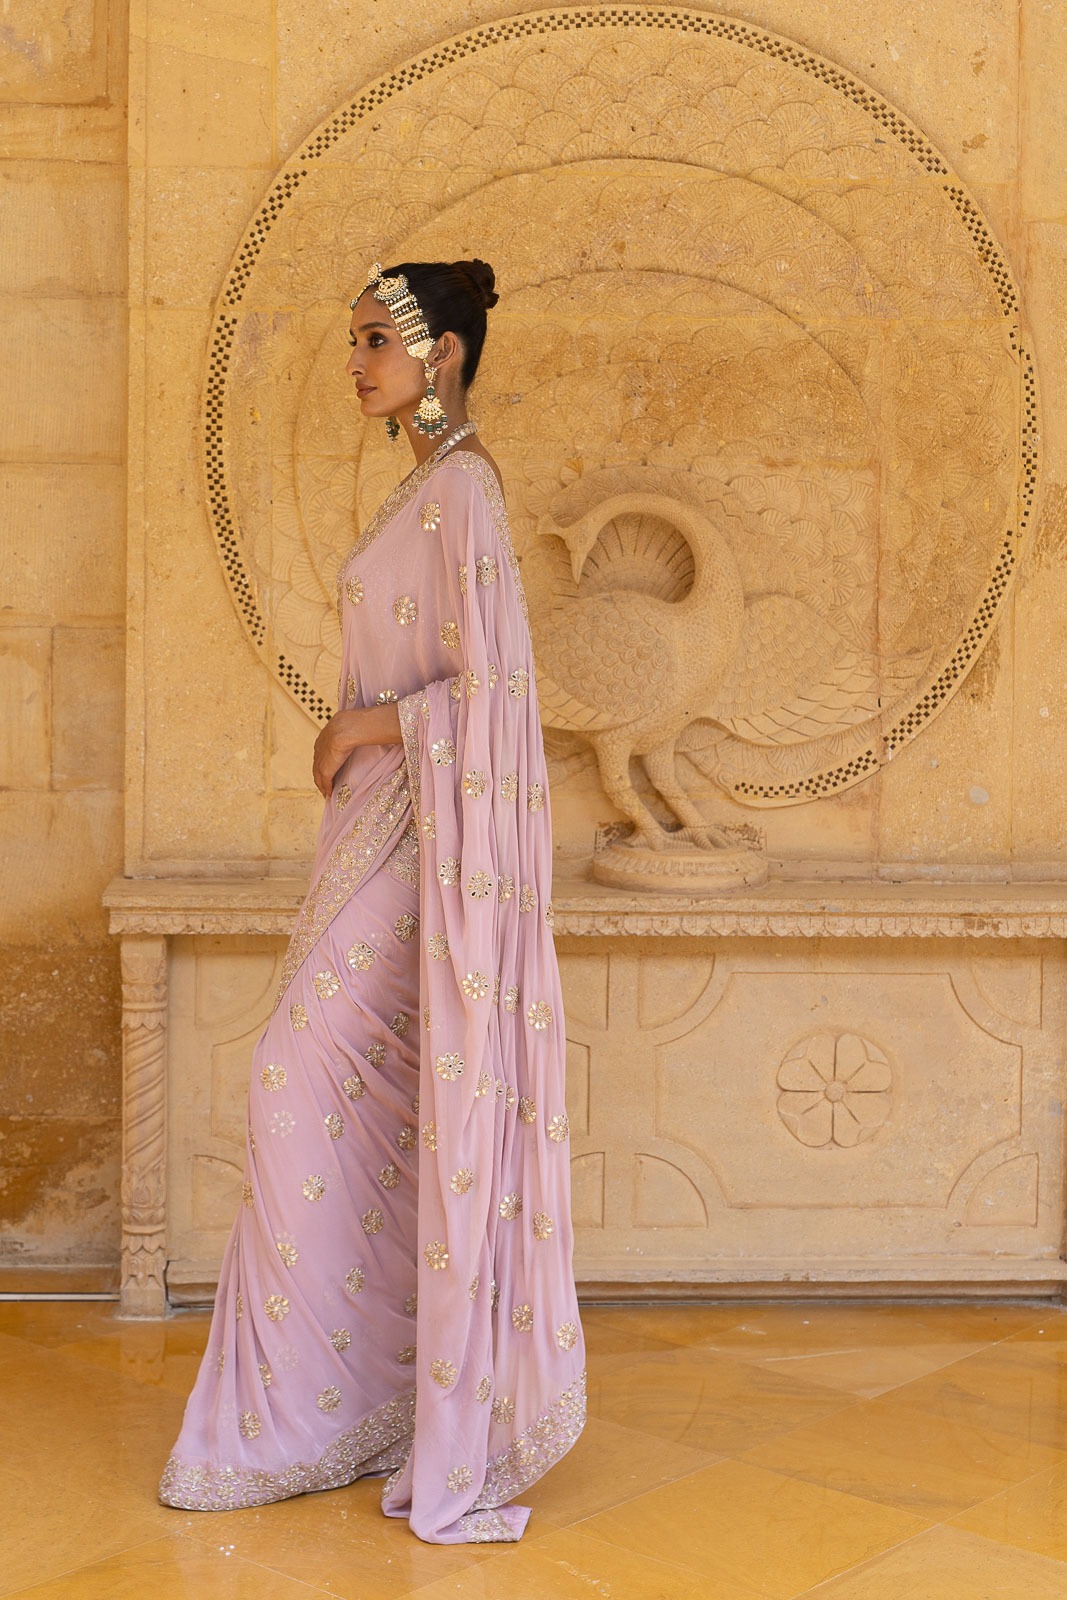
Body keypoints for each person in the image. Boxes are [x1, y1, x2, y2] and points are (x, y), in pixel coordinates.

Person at [158, 259, 586, 1544]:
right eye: (351, 342)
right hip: (384, 828)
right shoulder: (423, 485)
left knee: (292, 1073)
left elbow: (496, 693)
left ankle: (322, 1409)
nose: (354, 363)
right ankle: (356, 1396)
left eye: (374, 342)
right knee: (351, 1100)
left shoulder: (464, 489)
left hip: (425, 837)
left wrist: (365, 724)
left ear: (440, 352)